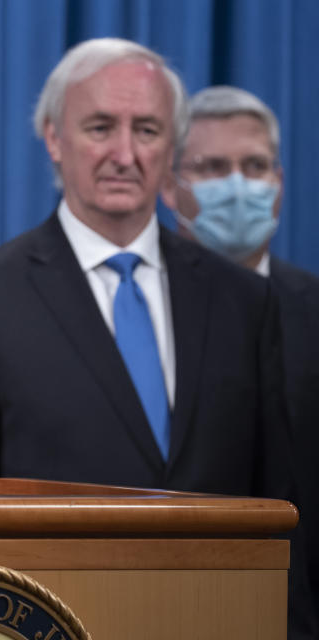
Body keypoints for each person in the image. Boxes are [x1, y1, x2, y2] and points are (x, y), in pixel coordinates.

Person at [0, 38, 290, 499]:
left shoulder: (244, 300)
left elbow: (283, 505)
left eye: (147, 130)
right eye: (100, 128)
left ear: (171, 147)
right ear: (54, 138)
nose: (125, 155)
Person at [161, 85, 319, 619]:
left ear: (278, 181)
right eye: (212, 167)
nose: (238, 185)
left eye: (255, 165)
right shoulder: (136, 313)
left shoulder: (313, 309)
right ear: (169, 185)